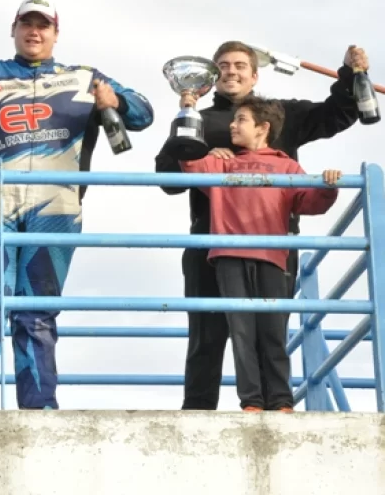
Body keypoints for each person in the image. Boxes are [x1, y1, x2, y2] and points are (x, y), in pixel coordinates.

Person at [0, 0, 154, 410]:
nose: (34, 31)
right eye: (27, 24)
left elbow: (143, 114)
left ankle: (39, 406)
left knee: (37, 312)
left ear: (56, 34)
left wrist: (116, 102)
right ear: (14, 30)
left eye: (43, 25)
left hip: (56, 207)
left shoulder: (83, 77)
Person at [155, 39, 369, 410]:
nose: (231, 71)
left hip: (274, 244)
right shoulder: (198, 121)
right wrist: (198, 151)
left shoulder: (284, 114)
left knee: (270, 326)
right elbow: (168, 179)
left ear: (255, 75)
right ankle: (198, 411)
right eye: (223, 65)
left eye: (240, 65)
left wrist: (351, 73)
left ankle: (276, 403)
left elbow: (338, 114)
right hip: (211, 242)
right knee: (208, 332)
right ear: (212, 74)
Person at [180, 96, 340, 412]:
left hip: (272, 256)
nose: (232, 125)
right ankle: (251, 400)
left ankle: (281, 399)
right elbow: (186, 164)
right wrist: (193, 125)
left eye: (240, 120)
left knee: (272, 330)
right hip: (228, 257)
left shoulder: (286, 165)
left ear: (262, 128)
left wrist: (328, 186)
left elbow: (310, 202)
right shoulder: (221, 161)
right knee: (241, 329)